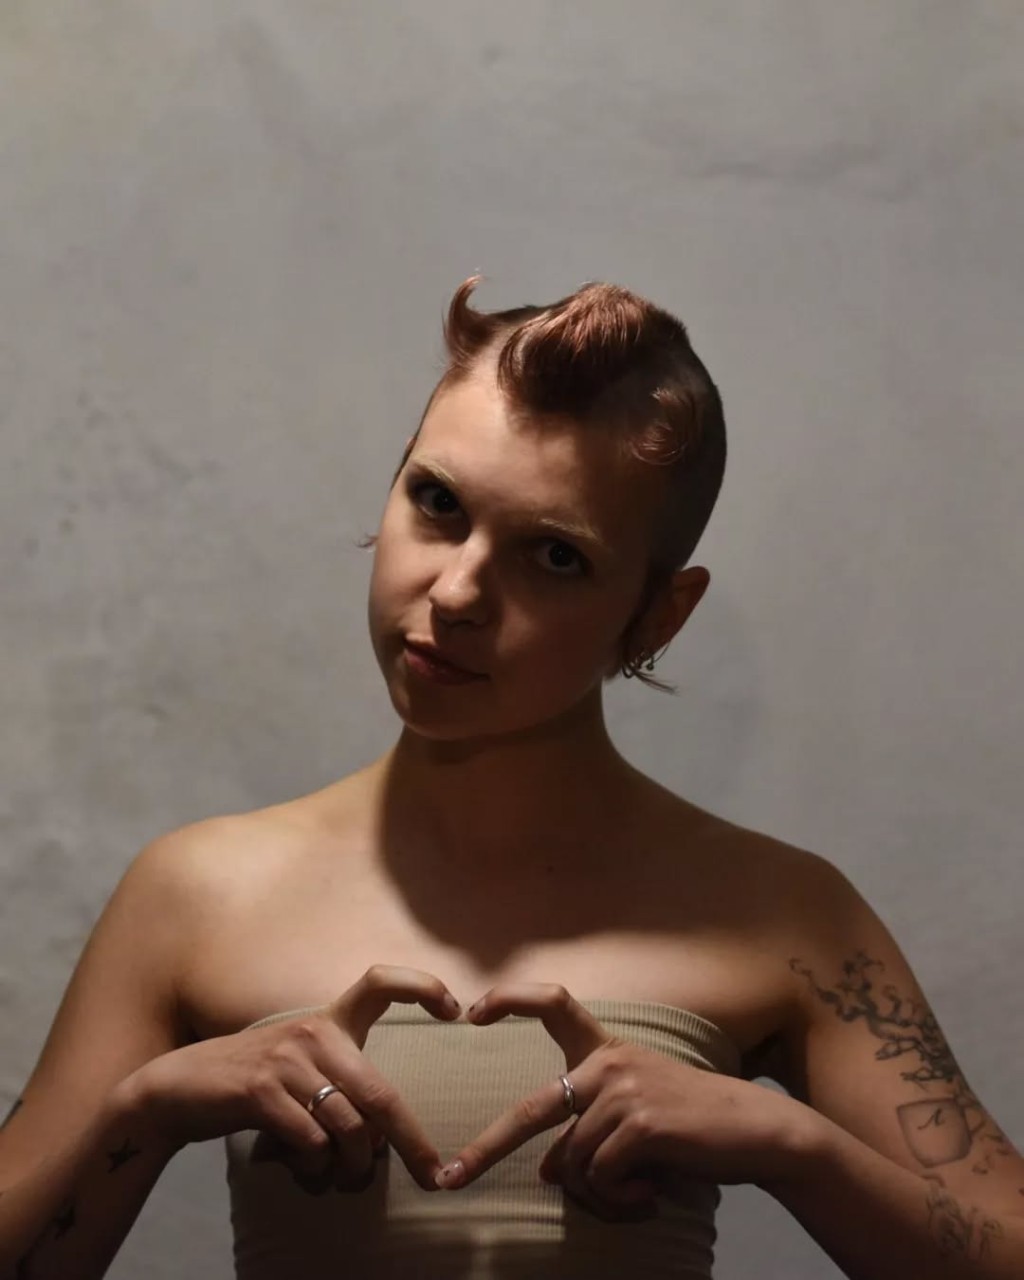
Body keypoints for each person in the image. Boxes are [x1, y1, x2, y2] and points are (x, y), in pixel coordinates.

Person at [0, 275, 1020, 1280]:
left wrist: (793, 1147)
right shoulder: (195, 893)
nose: (456, 593)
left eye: (554, 556)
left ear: (658, 616)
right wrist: (142, 1113)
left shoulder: (784, 914)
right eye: (438, 501)